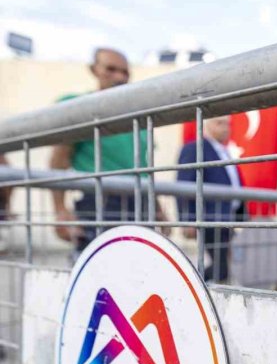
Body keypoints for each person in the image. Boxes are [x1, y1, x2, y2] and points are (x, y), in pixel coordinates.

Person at [49, 47, 167, 252]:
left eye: (124, 72)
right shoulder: (78, 106)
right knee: (98, 274)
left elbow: (144, 167)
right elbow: (59, 159)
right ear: (94, 69)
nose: (119, 77)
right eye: (111, 69)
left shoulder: (138, 118)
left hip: (140, 202)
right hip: (99, 203)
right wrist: (60, 210)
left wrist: (157, 208)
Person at [176, 115, 243, 282]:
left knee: (224, 266)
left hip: (227, 219)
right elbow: (184, 185)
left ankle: (200, 288)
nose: (226, 128)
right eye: (220, 123)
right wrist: (188, 220)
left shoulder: (225, 152)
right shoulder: (195, 149)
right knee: (221, 268)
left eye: (228, 124)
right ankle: (190, 284)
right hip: (210, 217)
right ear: (206, 126)